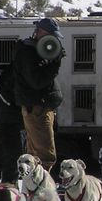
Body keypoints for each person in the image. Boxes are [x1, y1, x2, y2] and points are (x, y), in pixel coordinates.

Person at [12, 18, 64, 174]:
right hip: (37, 108)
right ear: (40, 32)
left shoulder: (31, 51)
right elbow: (37, 81)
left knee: (35, 154)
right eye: (50, 36)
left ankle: (35, 188)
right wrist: (54, 64)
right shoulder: (28, 53)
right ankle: (42, 187)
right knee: (44, 154)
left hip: (36, 107)